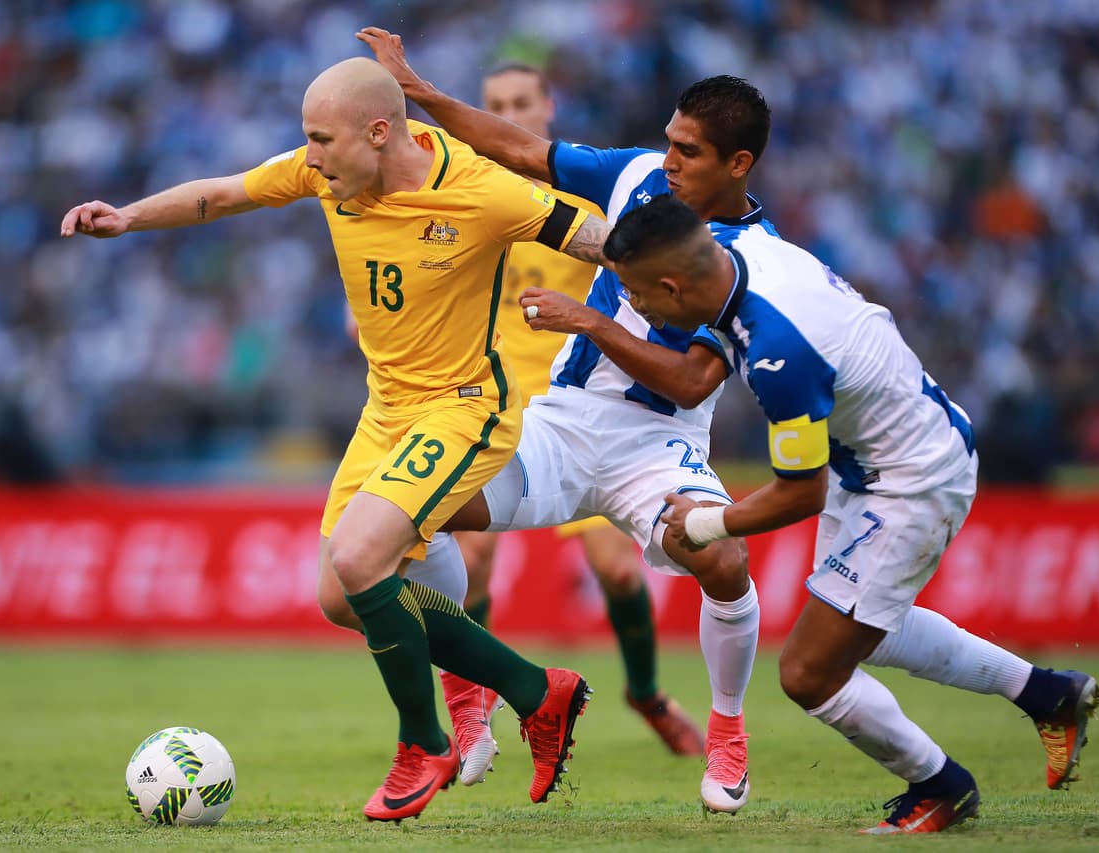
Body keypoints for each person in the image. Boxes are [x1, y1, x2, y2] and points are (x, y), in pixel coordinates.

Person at [60, 57, 611, 823]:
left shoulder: (484, 191)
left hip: (462, 408)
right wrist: (127, 216)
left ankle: (424, 744)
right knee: (339, 596)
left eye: (321, 140)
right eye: (306, 141)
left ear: (379, 132)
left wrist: (717, 267)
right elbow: (220, 194)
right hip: (385, 412)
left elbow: (602, 240)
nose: (310, 157)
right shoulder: (328, 174)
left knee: (360, 558)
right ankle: (536, 691)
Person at [356, 28, 761, 814]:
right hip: (558, 422)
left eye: (690, 152)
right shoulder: (633, 176)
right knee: (410, 515)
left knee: (722, 558)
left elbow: (686, 381)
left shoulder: (755, 259)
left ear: (738, 165)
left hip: (658, 443)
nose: (668, 160)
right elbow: (522, 152)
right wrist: (419, 89)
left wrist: (589, 320)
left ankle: (726, 726)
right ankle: (473, 698)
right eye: (670, 143)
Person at [606, 194, 1099, 834]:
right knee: (871, 626)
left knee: (809, 671)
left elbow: (798, 494)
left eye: (638, 294)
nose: (636, 307)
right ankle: (1048, 694)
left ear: (671, 285)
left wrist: (702, 524)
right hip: (876, 455)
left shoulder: (779, 354)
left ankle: (942, 787)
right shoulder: (749, 250)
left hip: (910, 482)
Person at [439, 61, 705, 788]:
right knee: (474, 561)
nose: (509, 114)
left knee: (619, 569)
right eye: (495, 104)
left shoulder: (588, 190)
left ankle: (646, 692)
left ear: (548, 106)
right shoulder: (466, 190)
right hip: (494, 403)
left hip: (576, 407)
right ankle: (474, 712)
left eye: (520, 102)